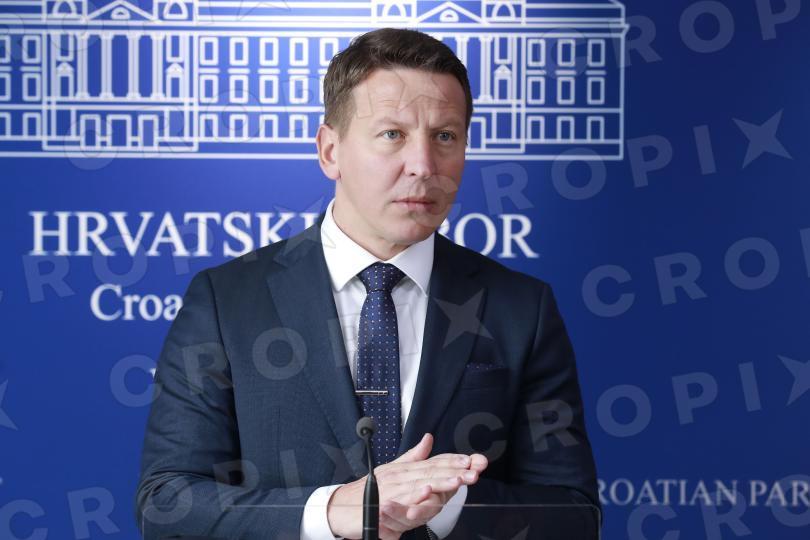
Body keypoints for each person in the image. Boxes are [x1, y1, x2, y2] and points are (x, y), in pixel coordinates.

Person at [136, 28, 599, 540]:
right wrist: (332, 510)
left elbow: (574, 515)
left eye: (445, 136)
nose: (423, 166)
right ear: (330, 151)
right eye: (392, 134)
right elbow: (167, 503)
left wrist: (442, 505)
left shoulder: (522, 308)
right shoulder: (226, 301)